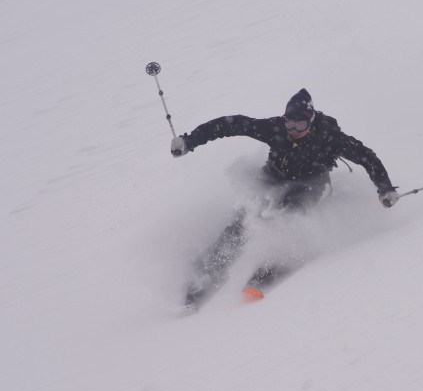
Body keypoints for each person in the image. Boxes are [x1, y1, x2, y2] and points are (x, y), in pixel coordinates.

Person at [171, 88, 399, 308]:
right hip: (272, 178)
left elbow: (366, 156)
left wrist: (385, 188)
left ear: (310, 121)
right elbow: (232, 124)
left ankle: (270, 268)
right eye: (290, 122)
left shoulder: (330, 138)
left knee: (288, 217)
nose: (294, 129)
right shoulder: (275, 128)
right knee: (245, 220)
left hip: (310, 186)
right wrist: (189, 141)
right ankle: (208, 274)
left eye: (300, 124)